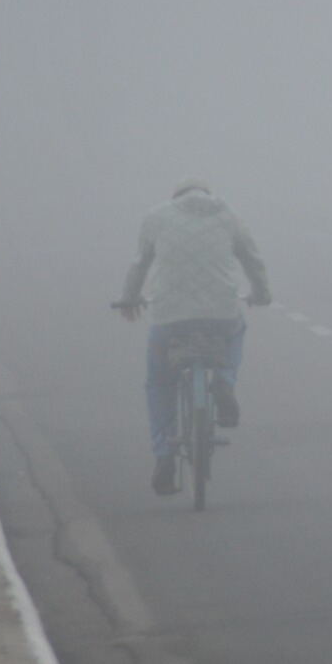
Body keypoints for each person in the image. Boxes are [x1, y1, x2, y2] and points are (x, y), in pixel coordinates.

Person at [116, 178, 271, 495]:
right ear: (207, 195)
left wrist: (130, 298)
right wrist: (261, 293)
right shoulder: (228, 215)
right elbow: (253, 260)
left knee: (160, 381)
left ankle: (164, 455)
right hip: (220, 316)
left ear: (177, 197)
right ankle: (224, 381)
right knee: (237, 330)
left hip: (169, 320)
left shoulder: (157, 216)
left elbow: (139, 264)